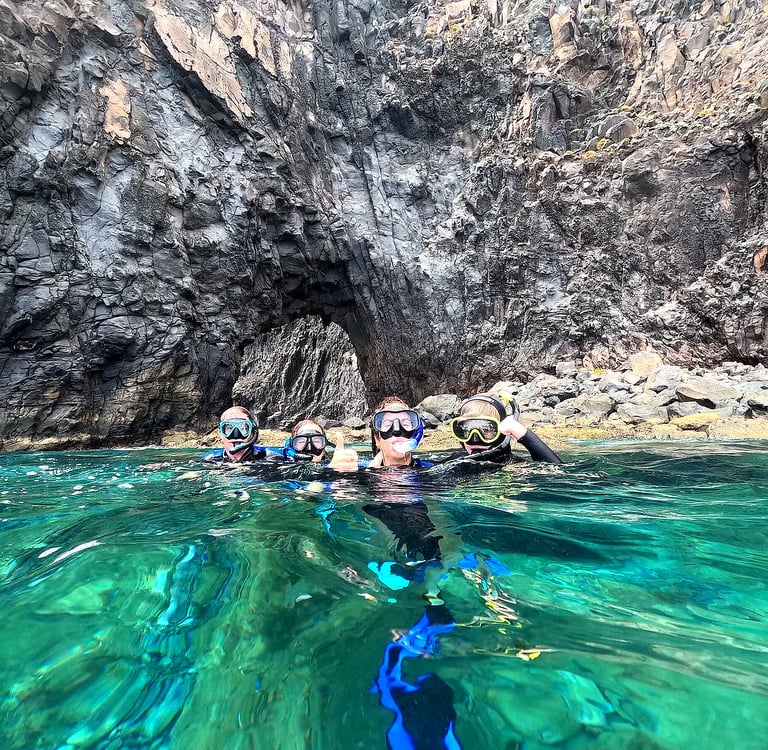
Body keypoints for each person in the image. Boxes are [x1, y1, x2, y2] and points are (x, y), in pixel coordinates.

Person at [444, 392, 561, 465]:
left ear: (502, 431)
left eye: (486, 429)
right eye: (467, 429)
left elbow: (559, 476)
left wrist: (521, 433)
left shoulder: (514, 466)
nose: (475, 437)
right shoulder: (456, 460)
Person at [368, 397, 431, 468]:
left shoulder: (432, 470)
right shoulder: (360, 471)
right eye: (388, 424)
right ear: (377, 440)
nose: (397, 431)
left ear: (415, 435)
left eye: (405, 424)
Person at [202, 406, 275, 463]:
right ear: (220, 434)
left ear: (253, 432)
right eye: (229, 428)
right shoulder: (210, 460)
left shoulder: (271, 457)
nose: (236, 434)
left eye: (243, 428)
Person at [283, 419, 359, 472]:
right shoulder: (281, 466)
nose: (309, 448)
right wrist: (332, 470)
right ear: (292, 446)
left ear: (324, 447)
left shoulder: (337, 463)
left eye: (316, 441)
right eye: (301, 442)